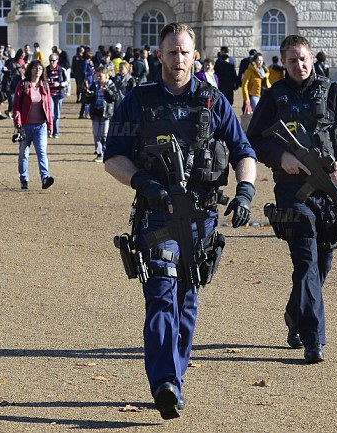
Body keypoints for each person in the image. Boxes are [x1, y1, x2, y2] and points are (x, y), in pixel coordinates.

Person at [104, 22, 257, 420]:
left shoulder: (214, 101)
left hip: (202, 218)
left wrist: (245, 191)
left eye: (184, 52)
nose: (177, 59)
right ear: (159, 56)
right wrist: (141, 180)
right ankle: (165, 383)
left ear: (195, 56)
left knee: (187, 302)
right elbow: (113, 156)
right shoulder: (136, 101)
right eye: (171, 52)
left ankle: (175, 377)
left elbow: (244, 151)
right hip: (156, 216)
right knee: (160, 295)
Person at [246, 34, 337, 363]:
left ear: (312, 58)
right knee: (305, 261)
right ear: (282, 63)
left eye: (303, 59)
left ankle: (294, 314)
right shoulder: (274, 97)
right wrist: (280, 157)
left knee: (320, 264)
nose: (298, 65)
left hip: (329, 194)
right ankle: (314, 339)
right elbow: (254, 139)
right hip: (291, 193)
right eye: (291, 60)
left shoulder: (333, 93)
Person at [12, 59, 54, 190]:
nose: (38, 70)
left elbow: (48, 107)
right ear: (30, 70)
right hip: (25, 126)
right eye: (35, 68)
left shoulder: (45, 86)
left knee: (42, 152)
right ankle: (24, 178)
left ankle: (45, 178)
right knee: (24, 154)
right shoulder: (23, 84)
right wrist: (18, 123)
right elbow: (16, 106)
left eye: (40, 69)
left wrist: (50, 125)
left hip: (40, 126)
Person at [84, 66, 117, 162]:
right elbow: (88, 99)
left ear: (106, 75)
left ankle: (107, 152)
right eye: (97, 76)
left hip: (105, 113)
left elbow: (114, 98)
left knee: (105, 134)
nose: (98, 78)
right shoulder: (94, 85)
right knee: (96, 134)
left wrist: (106, 90)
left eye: (100, 76)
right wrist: (87, 93)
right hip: (95, 112)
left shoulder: (110, 84)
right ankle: (99, 153)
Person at [45, 52, 68, 138]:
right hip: (49, 94)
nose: (51, 62)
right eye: (50, 60)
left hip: (59, 94)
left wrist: (60, 84)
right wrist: (46, 81)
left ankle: (56, 132)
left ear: (57, 61)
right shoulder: (46, 70)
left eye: (53, 61)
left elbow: (67, 82)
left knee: (57, 115)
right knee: (51, 114)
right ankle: (50, 131)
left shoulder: (61, 70)